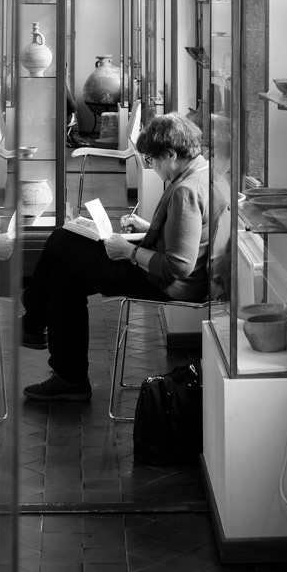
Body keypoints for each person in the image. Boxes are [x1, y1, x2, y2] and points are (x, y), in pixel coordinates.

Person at [21, 111, 209, 403]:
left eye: (152, 159)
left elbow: (178, 266)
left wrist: (129, 251)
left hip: (165, 283)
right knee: (64, 275)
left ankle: (33, 323)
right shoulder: (201, 173)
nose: (152, 166)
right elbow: (188, 235)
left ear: (172, 155)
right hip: (163, 275)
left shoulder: (186, 190)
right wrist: (148, 228)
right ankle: (68, 377)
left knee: (61, 239)